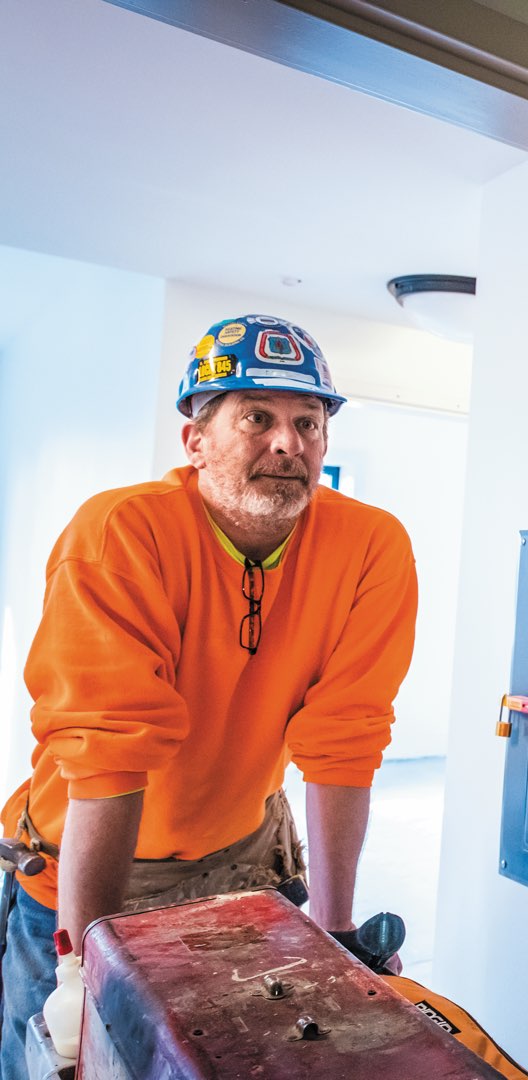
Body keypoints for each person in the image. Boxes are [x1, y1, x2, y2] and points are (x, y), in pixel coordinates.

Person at [0, 314, 418, 1077]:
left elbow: (346, 738)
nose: (288, 442)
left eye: (308, 422)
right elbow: (108, 752)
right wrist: (83, 970)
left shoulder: (370, 545)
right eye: (257, 418)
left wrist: (337, 934)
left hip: (245, 864)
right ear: (195, 442)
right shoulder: (121, 531)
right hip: (83, 876)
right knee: (63, 1058)